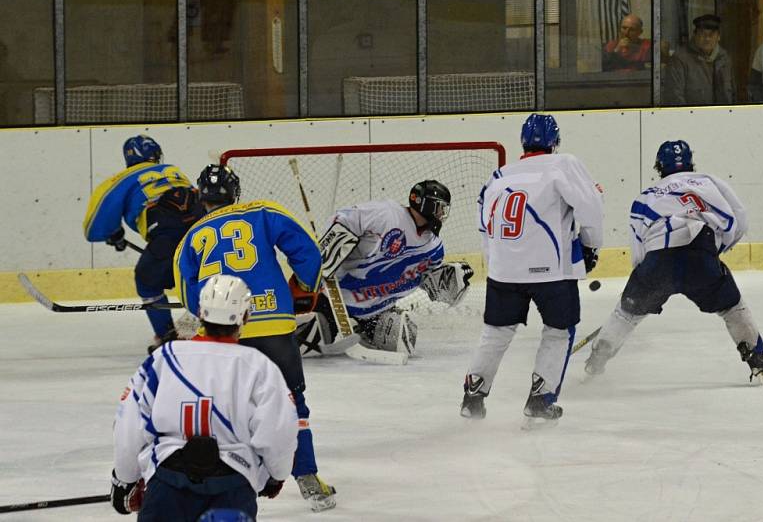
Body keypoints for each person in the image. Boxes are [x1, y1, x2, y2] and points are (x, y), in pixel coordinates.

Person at [173, 164, 337, 512]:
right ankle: (307, 476)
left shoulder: (192, 236)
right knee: (292, 401)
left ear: (201, 198)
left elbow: (187, 292)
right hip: (273, 323)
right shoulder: (261, 211)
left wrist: (210, 310)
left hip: (222, 332)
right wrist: (306, 285)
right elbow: (306, 249)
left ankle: (220, 479)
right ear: (235, 193)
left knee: (220, 406)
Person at [584, 140, 763, 384]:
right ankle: (758, 361)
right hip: (701, 252)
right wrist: (715, 251)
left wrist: (640, 287)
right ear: (690, 161)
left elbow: (638, 245)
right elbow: (739, 218)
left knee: (626, 314)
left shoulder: (646, 196)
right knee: (732, 306)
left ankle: (597, 360)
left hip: (658, 259)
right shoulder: (708, 181)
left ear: (659, 166)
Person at [111, 275, 298, 521]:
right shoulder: (259, 367)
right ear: (245, 316)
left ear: (200, 312)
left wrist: (125, 479)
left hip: (167, 481)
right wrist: (276, 475)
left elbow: (129, 425)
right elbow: (278, 430)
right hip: (232, 484)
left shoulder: (162, 359)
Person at [460, 113, 604, 423]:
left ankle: (473, 397)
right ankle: (540, 399)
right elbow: (591, 207)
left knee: (495, 333)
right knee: (558, 331)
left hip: (503, 270)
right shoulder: (562, 164)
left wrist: (498, 262)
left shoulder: (499, 176)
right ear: (555, 142)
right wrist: (591, 246)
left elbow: (483, 224)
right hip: (551, 272)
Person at [295, 180, 473, 359]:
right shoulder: (387, 215)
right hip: (337, 300)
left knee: (403, 341)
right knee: (306, 338)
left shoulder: (433, 248)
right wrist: (330, 246)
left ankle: (362, 328)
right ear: (423, 204)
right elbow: (345, 218)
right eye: (438, 208)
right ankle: (327, 321)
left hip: (378, 310)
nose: (441, 214)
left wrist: (450, 281)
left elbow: (428, 281)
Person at [83, 135, 204, 349]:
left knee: (147, 281)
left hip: (167, 231)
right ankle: (212, 323)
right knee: (199, 275)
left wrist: (113, 232)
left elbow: (95, 227)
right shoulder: (174, 171)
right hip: (204, 226)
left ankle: (166, 335)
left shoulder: (122, 178)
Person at [663, 14, 736, 106]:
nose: (707, 39)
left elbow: (732, 94)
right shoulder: (680, 59)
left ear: (718, 37)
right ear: (695, 35)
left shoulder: (724, 59)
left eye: (711, 34)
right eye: (702, 34)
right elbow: (674, 97)